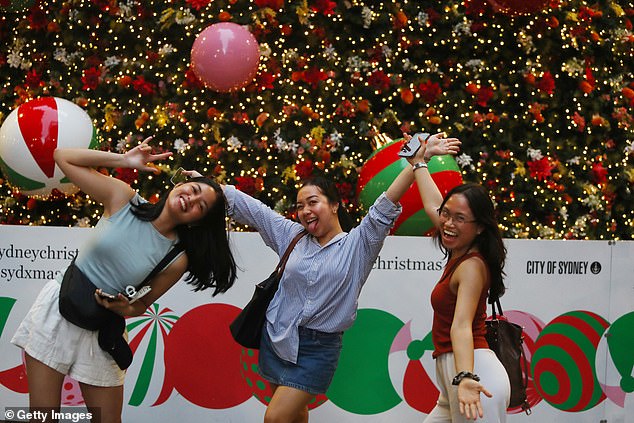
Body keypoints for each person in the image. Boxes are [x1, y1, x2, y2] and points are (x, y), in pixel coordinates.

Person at [200, 132, 460, 423]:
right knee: (294, 416)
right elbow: (252, 209)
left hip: (318, 349)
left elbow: (386, 204)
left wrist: (417, 162)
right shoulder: (291, 236)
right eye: (299, 206)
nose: (305, 211)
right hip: (277, 337)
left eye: (312, 202)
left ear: (334, 205)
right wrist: (204, 185)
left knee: (275, 418)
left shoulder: (358, 244)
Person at [11, 137, 237, 423]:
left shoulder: (176, 258)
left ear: (196, 222)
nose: (191, 199)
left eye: (200, 206)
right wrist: (123, 161)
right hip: (58, 310)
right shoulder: (123, 198)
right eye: (193, 190)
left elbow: (141, 305)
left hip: (102, 331)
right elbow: (62, 156)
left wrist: (123, 308)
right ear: (178, 185)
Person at [405, 132, 510, 422]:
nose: (448, 224)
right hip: (456, 381)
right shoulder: (460, 250)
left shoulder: (472, 266)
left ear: (479, 227)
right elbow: (432, 205)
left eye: (459, 218)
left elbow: (461, 327)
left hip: (475, 378)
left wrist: (465, 377)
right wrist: (419, 163)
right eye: (446, 215)